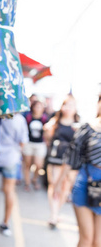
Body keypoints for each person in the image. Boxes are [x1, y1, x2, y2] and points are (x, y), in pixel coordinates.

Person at [54, 95, 101, 247]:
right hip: (85, 183)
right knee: (86, 237)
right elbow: (71, 157)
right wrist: (58, 183)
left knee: (98, 242)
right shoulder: (87, 128)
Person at [0, 114, 29, 236]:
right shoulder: (19, 119)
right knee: (9, 190)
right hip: (11, 158)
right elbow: (23, 141)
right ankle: (5, 223)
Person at [44, 94, 80, 229]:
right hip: (55, 158)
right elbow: (48, 139)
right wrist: (47, 131)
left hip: (70, 161)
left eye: (71, 105)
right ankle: (53, 215)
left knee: (65, 188)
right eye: (66, 105)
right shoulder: (55, 121)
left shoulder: (78, 124)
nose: (68, 108)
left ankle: (56, 211)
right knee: (54, 185)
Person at [23, 100, 48, 191]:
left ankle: (34, 179)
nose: (38, 109)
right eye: (36, 106)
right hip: (29, 143)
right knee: (27, 164)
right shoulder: (28, 117)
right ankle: (27, 182)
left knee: (38, 164)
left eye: (40, 107)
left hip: (40, 144)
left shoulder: (45, 119)